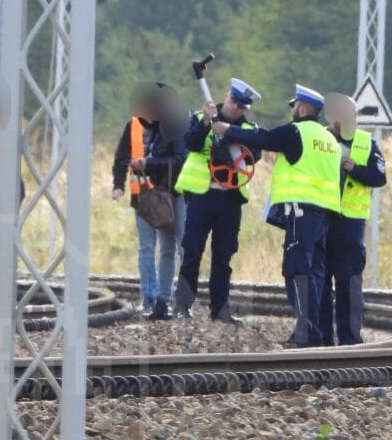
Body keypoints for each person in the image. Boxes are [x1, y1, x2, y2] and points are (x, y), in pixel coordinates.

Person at [215, 85, 341, 347]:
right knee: (315, 272)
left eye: (294, 106)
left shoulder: (297, 131)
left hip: (301, 209)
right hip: (324, 213)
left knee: (296, 270)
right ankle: (314, 333)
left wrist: (227, 130)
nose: (292, 110)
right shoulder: (328, 138)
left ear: (303, 108)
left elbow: (263, 138)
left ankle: (305, 334)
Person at [173, 78, 263, 323]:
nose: (236, 108)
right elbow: (190, 144)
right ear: (227, 96)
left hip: (230, 199)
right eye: (234, 101)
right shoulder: (201, 117)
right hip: (202, 194)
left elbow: (255, 154)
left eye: (242, 106)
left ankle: (220, 309)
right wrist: (205, 122)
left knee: (224, 254)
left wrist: (229, 136)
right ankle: (182, 305)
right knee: (192, 250)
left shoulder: (248, 129)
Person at [112, 82, 187, 320]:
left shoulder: (175, 126)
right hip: (142, 196)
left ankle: (169, 299)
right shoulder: (133, 125)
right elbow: (120, 157)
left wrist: (148, 163)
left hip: (170, 195)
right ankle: (150, 297)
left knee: (170, 248)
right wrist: (118, 184)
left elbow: (179, 158)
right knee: (147, 248)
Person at [319, 94, 387, 345]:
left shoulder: (366, 142)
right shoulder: (319, 138)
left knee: (349, 285)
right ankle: (322, 340)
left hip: (350, 224)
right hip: (322, 219)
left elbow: (379, 177)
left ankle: (349, 340)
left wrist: (354, 169)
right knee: (320, 282)